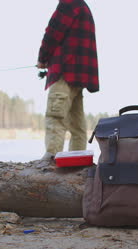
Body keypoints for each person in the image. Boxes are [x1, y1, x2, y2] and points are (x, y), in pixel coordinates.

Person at [37, 0, 99, 160]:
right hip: (79, 76)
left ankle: (50, 161)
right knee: (76, 124)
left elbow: (53, 32)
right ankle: (77, 162)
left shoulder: (69, 3)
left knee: (55, 117)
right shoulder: (82, 6)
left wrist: (42, 57)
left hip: (65, 70)